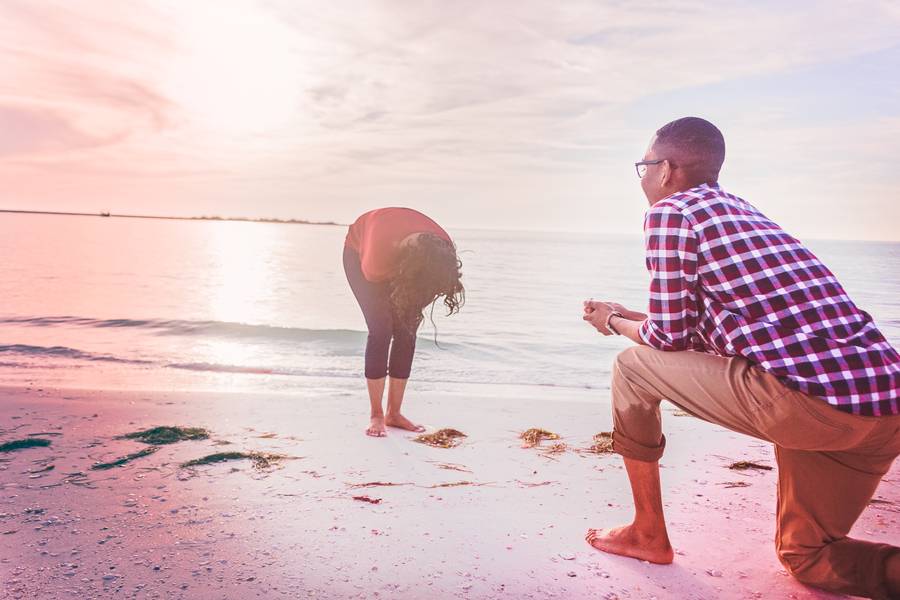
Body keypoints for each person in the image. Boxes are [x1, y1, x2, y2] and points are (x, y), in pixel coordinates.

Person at [581, 117, 900, 599]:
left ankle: (647, 533)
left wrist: (611, 323)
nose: (642, 177)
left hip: (812, 404)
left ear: (666, 170)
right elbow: (715, 326)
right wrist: (632, 315)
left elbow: (666, 338)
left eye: (643, 166)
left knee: (631, 368)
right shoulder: (741, 213)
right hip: (883, 408)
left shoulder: (672, 211)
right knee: (807, 557)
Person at [343, 207, 464, 437]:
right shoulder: (376, 259)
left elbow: (431, 282)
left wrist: (414, 297)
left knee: (406, 330)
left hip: (412, 268)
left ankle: (394, 413)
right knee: (381, 329)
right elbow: (376, 281)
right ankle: (377, 414)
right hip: (359, 255)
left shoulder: (441, 252)